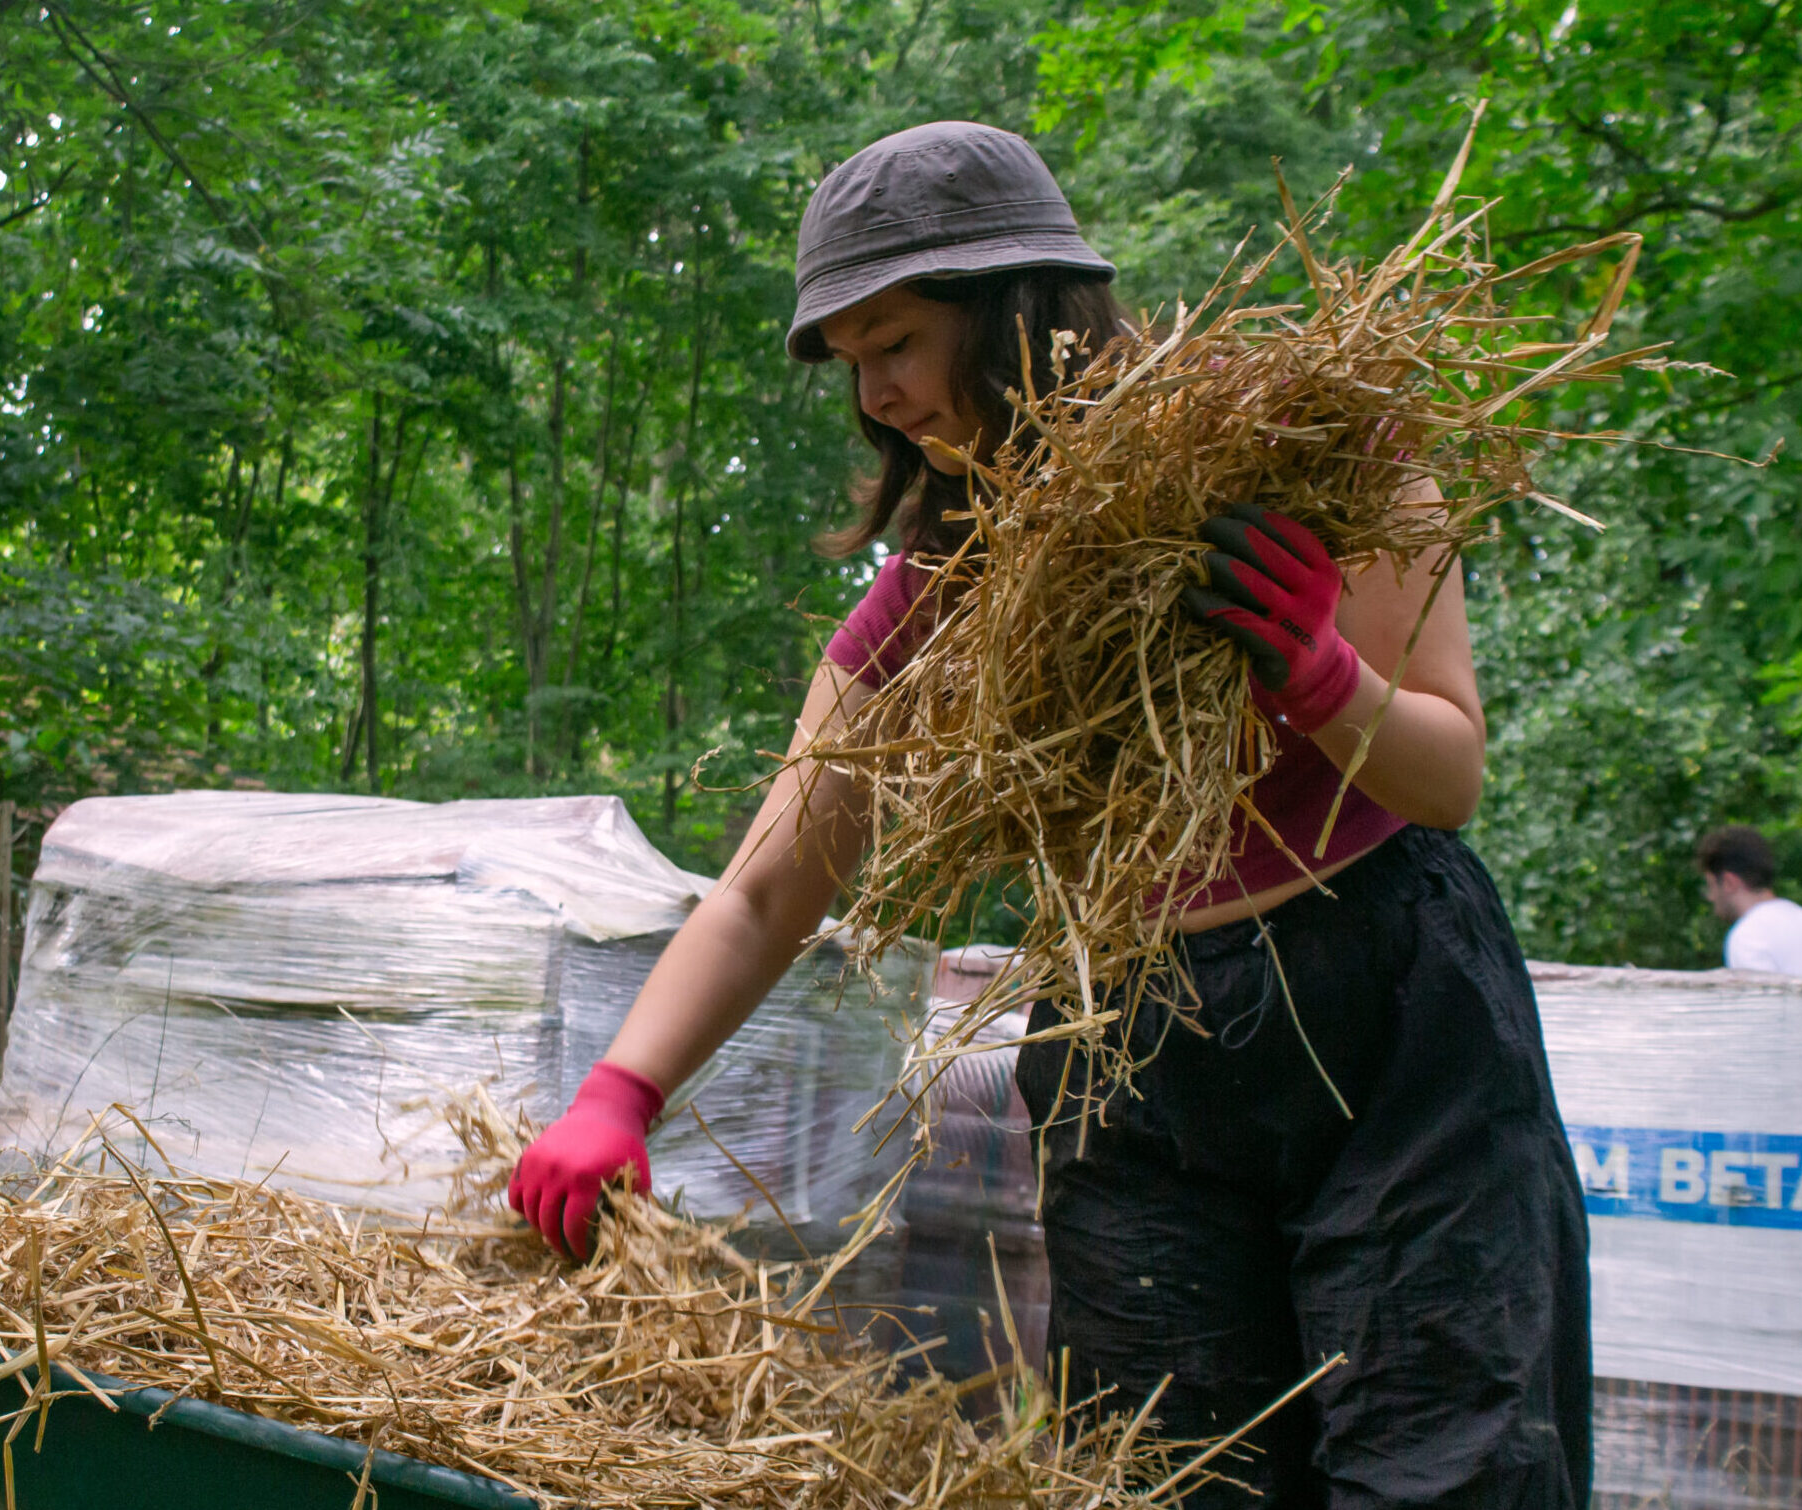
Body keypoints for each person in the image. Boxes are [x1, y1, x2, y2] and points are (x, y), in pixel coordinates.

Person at [506, 122, 1591, 1507]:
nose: (878, 394)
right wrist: (621, 1090)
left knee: (1443, 1465)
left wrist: (1324, 679)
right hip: (1131, 1044)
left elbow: (1446, 777)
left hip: (1386, 1008)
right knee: (1168, 1477)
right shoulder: (928, 597)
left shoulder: (1301, 443)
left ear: (1014, 302)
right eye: (850, 364)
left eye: (893, 341)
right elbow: (775, 882)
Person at [1696, 825, 1802, 976]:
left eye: (1710, 886)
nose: (1710, 897)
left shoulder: (1750, 935)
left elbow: (1761, 1007)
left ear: (1728, 882)